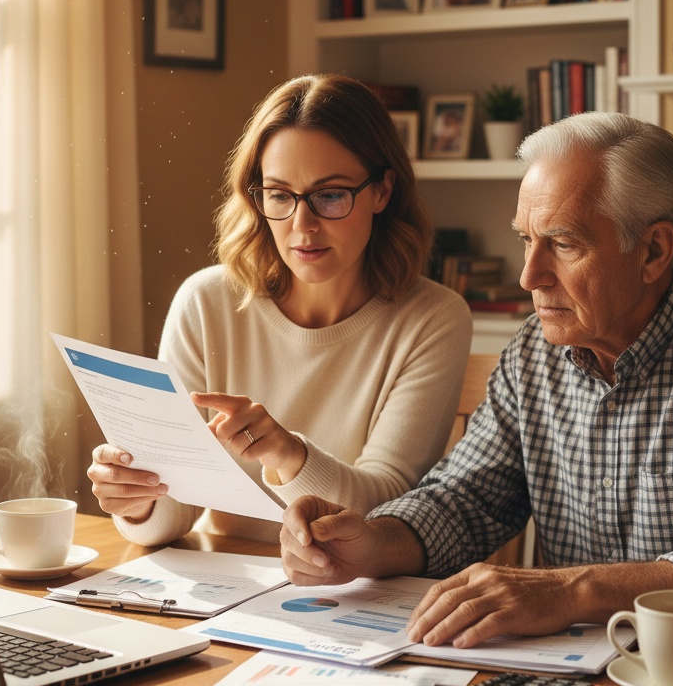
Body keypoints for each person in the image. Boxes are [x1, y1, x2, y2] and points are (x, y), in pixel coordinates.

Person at [281, 110, 673, 644]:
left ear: (654, 250)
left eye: (564, 243)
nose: (529, 275)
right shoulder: (535, 352)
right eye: (527, 239)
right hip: (572, 674)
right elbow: (466, 500)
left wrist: (577, 590)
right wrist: (373, 542)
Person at [87, 74, 472, 543]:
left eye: (330, 195)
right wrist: (139, 498)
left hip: (353, 594)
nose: (302, 225)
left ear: (382, 191)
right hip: (224, 582)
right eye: (280, 196)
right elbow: (173, 512)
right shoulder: (205, 303)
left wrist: (289, 456)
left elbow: (387, 510)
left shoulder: (434, 318)